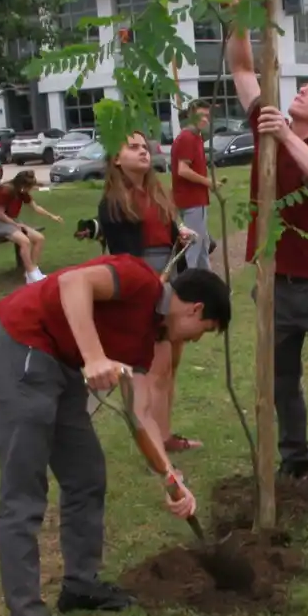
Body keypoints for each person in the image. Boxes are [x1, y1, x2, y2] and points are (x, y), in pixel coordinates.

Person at [0, 257, 232, 616]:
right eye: (200, 333)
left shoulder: (148, 337)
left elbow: (141, 414)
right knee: (24, 491)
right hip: (22, 348)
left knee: (86, 475)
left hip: (60, 363)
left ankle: (80, 584)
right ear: (195, 309)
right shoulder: (139, 280)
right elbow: (73, 283)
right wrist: (95, 356)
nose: (191, 341)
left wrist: (170, 478)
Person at [225, 0, 308, 511]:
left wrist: (285, 136)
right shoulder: (268, 121)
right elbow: (241, 70)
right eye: (303, 89)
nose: (301, 93)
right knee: (278, 383)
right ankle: (294, 457)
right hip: (271, 281)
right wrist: (239, 16)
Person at [93, 130, 201, 451]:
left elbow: (168, 233)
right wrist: (148, 286)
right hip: (143, 283)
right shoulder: (113, 202)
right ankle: (157, 441)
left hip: (170, 281)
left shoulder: (157, 193)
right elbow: (124, 257)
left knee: (171, 364)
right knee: (156, 369)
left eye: (145, 146)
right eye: (133, 147)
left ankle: (164, 434)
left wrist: (179, 234)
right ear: (116, 159)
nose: (144, 151)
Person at [0, 172, 62, 284]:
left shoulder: (22, 192)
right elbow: (0, 214)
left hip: (13, 222)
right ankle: (31, 273)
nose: (30, 190)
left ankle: (32, 271)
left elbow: (35, 207)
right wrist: (15, 224)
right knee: (25, 241)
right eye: (29, 187)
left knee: (39, 238)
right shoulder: (5, 191)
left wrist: (52, 216)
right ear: (22, 185)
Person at [171, 100, 216, 270]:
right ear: (190, 115)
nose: (205, 119)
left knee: (202, 245)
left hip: (196, 199)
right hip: (191, 200)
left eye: (207, 115)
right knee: (193, 247)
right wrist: (208, 182)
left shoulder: (196, 136)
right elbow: (183, 170)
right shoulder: (187, 138)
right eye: (201, 115)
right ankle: (186, 286)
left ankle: (207, 283)